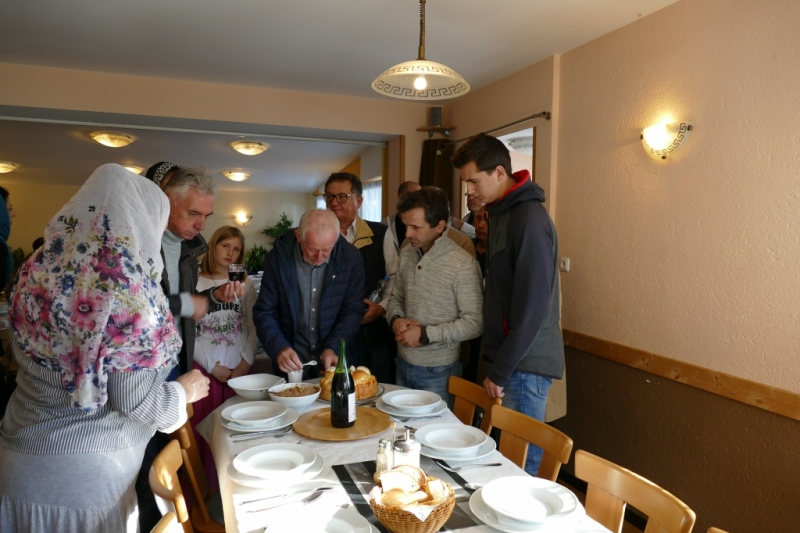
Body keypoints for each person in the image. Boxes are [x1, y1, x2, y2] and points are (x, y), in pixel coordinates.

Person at [0, 164, 210, 533]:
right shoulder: (128, 288)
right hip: (87, 477)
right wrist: (185, 390)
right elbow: (138, 402)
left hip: (17, 456)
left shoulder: (34, 270)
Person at [138, 166, 242, 530]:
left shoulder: (186, 247)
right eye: (193, 213)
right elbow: (134, 305)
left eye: (206, 216)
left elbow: (185, 307)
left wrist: (213, 297)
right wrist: (188, 303)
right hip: (140, 370)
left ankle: (173, 518)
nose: (201, 225)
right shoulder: (139, 241)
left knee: (173, 454)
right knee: (147, 460)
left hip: (174, 363)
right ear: (164, 201)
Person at [454, 133, 564, 476]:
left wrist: (501, 370)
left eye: (474, 181)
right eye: (465, 182)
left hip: (523, 364)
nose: (469, 190)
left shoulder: (528, 219)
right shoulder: (499, 213)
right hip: (509, 358)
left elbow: (534, 308)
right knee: (508, 460)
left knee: (521, 466)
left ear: (500, 173)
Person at [386, 187, 483, 406]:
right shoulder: (407, 253)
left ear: (439, 226)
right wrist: (395, 319)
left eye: (415, 227)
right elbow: (396, 299)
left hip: (439, 371)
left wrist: (425, 334)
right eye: (405, 225)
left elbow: (475, 324)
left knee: (436, 428)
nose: (407, 233)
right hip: (401, 362)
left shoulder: (462, 263)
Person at [253, 209, 365, 380]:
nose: (319, 257)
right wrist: (279, 348)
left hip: (334, 360)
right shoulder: (278, 258)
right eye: (312, 249)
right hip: (292, 361)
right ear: (299, 236)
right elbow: (265, 311)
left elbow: (352, 311)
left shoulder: (351, 258)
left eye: (327, 250)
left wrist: (333, 347)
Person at [191, 225, 257, 490]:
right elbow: (188, 333)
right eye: (225, 245)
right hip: (206, 372)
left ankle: (239, 488)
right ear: (213, 246)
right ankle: (210, 492)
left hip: (241, 371)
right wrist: (211, 367)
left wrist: (245, 363)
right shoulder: (195, 282)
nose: (230, 252)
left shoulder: (245, 284)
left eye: (236, 249)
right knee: (207, 435)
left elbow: (252, 326)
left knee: (240, 436)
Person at [324, 172, 396, 383]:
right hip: (333, 333)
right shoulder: (320, 236)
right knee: (340, 388)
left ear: (359, 201)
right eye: (329, 196)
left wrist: (382, 307)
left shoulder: (380, 233)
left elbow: (396, 276)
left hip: (375, 332)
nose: (334, 202)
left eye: (342, 196)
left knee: (378, 387)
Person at [464, 205, 488, 383]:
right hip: (465, 324)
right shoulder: (465, 248)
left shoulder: (500, 254)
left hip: (489, 327)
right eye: (478, 218)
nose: (480, 225)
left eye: (487, 220)